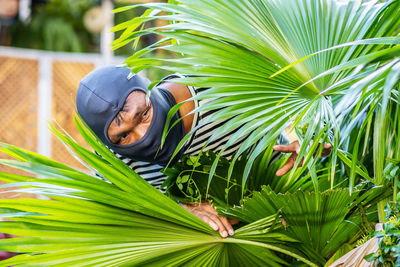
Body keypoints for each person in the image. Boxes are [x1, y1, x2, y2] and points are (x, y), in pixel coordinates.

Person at [76, 65, 330, 238]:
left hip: (302, 224)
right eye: (123, 136)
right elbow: (111, 220)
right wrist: (178, 212)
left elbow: (313, 93)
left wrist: (316, 135)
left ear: (149, 90)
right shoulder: (113, 160)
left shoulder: (219, 91)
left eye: (143, 114)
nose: (142, 137)